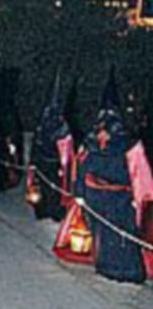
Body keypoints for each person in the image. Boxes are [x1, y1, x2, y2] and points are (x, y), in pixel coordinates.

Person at [53, 68, 153, 282]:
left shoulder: (129, 145)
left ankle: (125, 272)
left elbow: (139, 173)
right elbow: (81, 167)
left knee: (122, 238)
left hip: (120, 200)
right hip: (96, 199)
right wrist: (79, 193)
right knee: (101, 236)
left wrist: (142, 199)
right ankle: (104, 265)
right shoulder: (90, 145)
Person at [26, 69, 75, 221]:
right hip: (43, 163)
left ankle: (55, 211)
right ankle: (43, 210)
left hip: (55, 165)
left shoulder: (62, 127)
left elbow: (66, 150)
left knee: (55, 191)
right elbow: (37, 145)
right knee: (44, 190)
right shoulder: (43, 126)